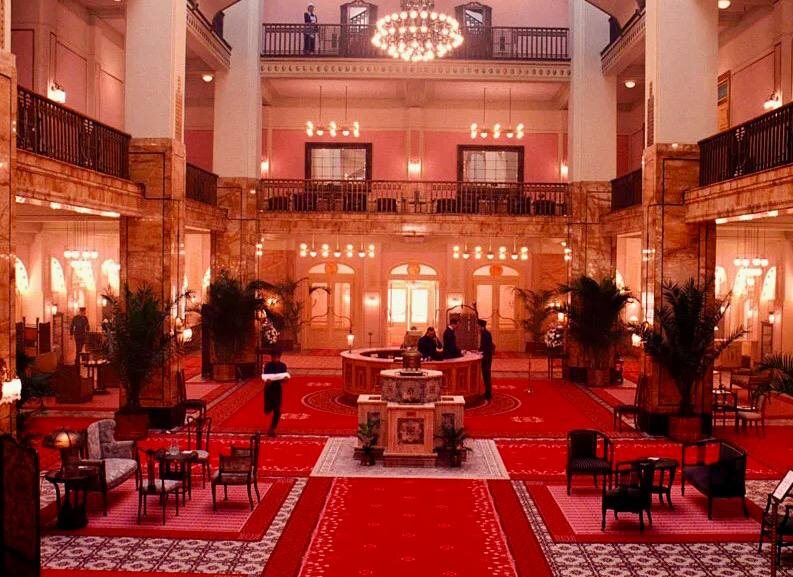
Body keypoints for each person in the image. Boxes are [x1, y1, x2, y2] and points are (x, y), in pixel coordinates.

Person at [262, 349, 290, 437]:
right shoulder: (268, 366)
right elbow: (265, 377)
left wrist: (285, 379)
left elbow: (284, 379)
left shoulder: (282, 366)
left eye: (277, 357)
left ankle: (272, 429)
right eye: (274, 357)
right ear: (271, 357)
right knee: (268, 410)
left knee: (277, 410)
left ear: (280, 357)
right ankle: (268, 408)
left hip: (277, 389)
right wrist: (267, 381)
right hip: (269, 389)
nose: (276, 358)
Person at [478, 319, 495, 400]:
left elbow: (485, 347)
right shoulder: (485, 333)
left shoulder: (485, 334)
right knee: (486, 375)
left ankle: (488, 394)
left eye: (478, 326)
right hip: (486, 356)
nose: (477, 328)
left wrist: (479, 351)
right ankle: (487, 392)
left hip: (486, 358)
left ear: (481, 326)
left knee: (486, 375)